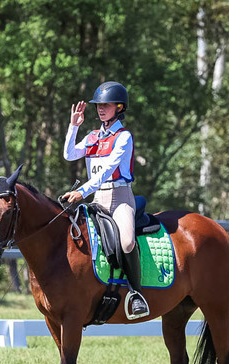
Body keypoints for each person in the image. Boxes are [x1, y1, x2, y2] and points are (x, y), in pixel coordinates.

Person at [61, 81, 149, 319]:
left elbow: (108, 170)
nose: (101, 109)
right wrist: (73, 127)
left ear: (119, 107)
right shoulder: (91, 137)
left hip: (120, 197)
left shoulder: (123, 137)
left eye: (106, 105)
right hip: (98, 199)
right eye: (99, 105)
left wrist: (83, 192)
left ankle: (136, 293)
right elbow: (69, 155)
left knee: (127, 242)